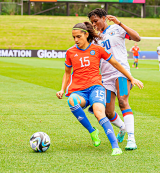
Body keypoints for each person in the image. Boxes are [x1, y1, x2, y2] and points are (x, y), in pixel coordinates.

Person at [56, 22, 144, 155]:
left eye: (78, 36)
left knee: (99, 113)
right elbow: (67, 73)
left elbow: (115, 63)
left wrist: (131, 78)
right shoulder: (70, 52)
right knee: (72, 101)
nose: (76, 40)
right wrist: (62, 89)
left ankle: (115, 146)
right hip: (79, 91)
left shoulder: (97, 49)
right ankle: (92, 131)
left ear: (86, 35)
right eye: (74, 37)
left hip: (96, 88)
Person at [88, 8, 141, 150]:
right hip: (106, 76)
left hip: (121, 72)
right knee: (108, 112)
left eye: (96, 21)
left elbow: (137, 38)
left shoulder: (117, 29)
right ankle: (123, 128)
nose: (94, 24)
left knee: (123, 102)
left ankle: (131, 139)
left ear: (104, 18)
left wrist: (120, 23)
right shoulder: (95, 39)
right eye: (92, 22)